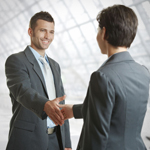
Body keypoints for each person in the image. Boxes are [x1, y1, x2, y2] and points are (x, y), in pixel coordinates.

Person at [59, 5, 150, 150]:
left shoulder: (102, 77)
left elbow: (96, 138)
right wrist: (74, 111)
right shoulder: (143, 72)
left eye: (98, 30)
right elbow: (117, 110)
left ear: (104, 33)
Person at [5, 11, 71, 150]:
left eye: (51, 32)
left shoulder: (55, 66)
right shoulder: (16, 61)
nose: (48, 36)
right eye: (43, 30)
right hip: (29, 141)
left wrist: (67, 143)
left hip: (56, 140)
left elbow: (61, 104)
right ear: (30, 31)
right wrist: (45, 104)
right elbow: (23, 92)